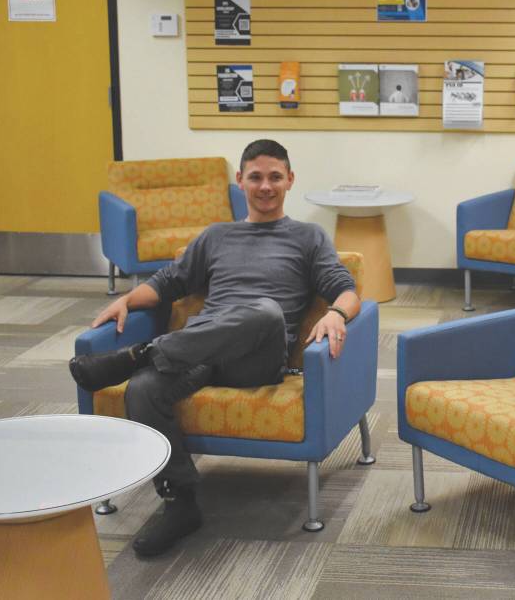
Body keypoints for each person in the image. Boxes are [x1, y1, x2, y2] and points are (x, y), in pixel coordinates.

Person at [69, 139, 360, 557]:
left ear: (290, 181)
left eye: (275, 177)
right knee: (143, 390)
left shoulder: (308, 236)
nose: (265, 186)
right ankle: (180, 503)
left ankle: (141, 355)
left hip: (257, 357)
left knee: (264, 311)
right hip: (199, 350)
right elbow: (169, 283)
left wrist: (336, 313)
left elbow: (347, 290)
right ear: (240, 180)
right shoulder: (216, 235)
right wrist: (127, 300)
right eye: (255, 177)